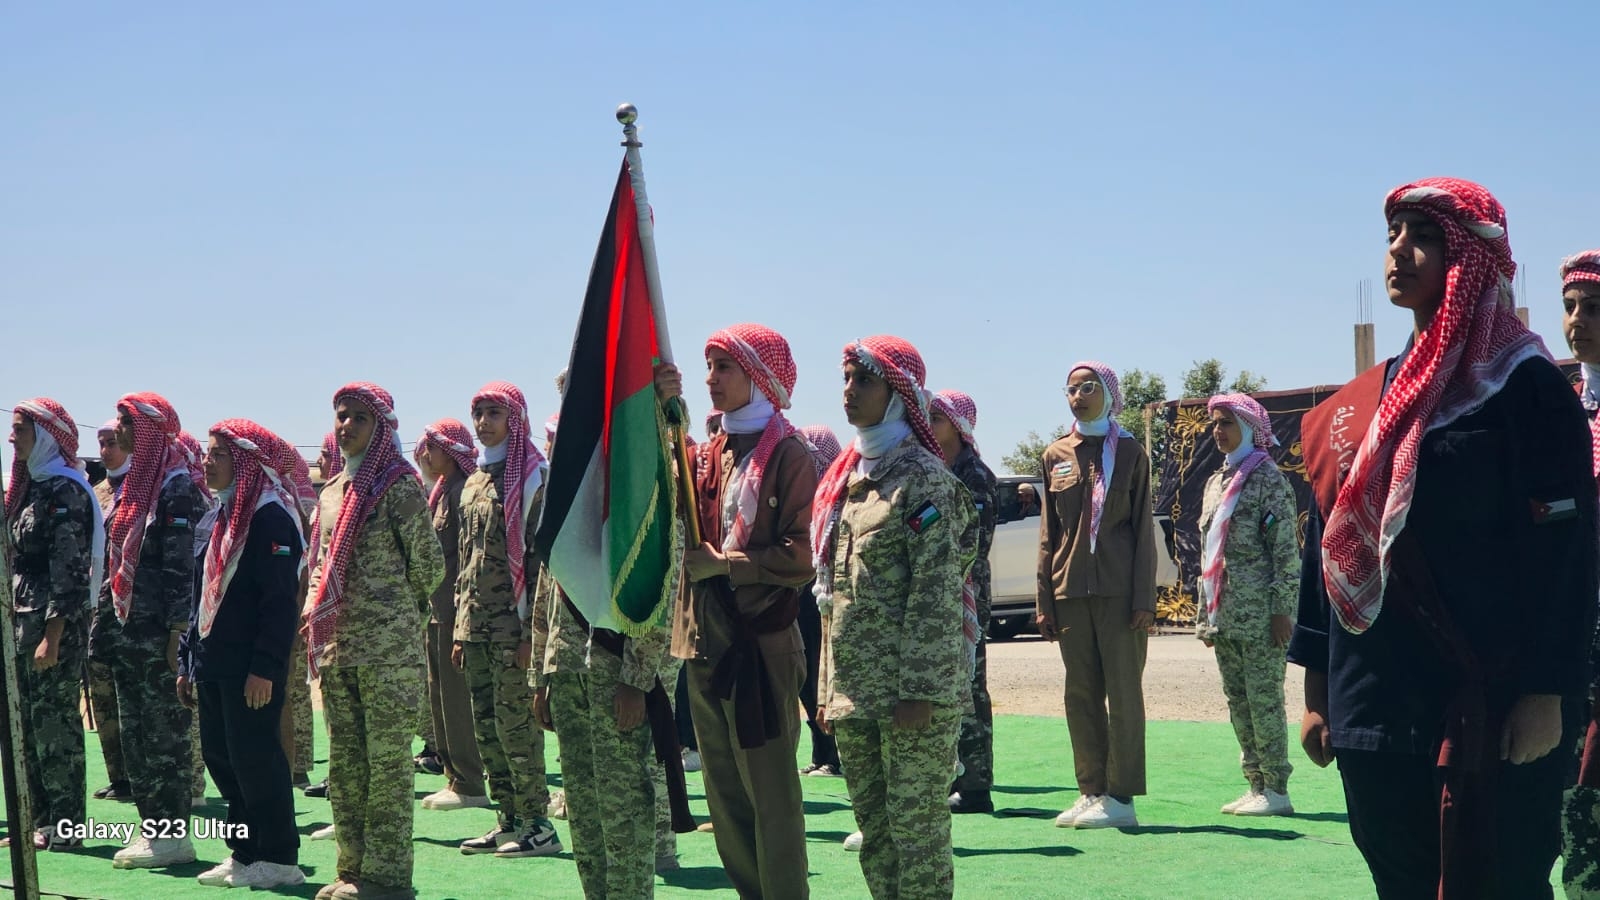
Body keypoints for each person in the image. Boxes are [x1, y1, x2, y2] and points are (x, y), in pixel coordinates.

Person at [1289, 178, 1596, 900]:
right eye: (1393, 234)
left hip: (1497, 703)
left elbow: (1566, 557)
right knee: (1399, 881)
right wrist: (1318, 687)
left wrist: (1548, 691)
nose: (1399, 251)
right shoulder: (1365, 402)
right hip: (1375, 703)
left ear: (1470, 259)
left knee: (1505, 880)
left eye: (1423, 235)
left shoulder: (1527, 391)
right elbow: (1327, 541)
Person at [654, 323, 817, 899]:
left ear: (760, 377)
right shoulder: (709, 453)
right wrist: (662, 408)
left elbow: (803, 555)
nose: (711, 379)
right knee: (724, 797)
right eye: (709, 366)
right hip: (705, 645)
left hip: (761, 649)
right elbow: (669, 484)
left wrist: (727, 564)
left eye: (725, 367)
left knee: (770, 795)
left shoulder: (790, 455)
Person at [813, 335, 977, 900]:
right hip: (857, 693)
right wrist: (829, 689)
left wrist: (919, 692)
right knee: (877, 834)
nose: (849, 390)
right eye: (846, 379)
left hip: (911, 698)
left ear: (900, 395)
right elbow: (834, 596)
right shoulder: (848, 480)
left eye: (865, 380)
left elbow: (935, 592)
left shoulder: (923, 480)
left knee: (917, 832)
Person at [305, 382, 444, 900]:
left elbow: (429, 566)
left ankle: (387, 879)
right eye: (341, 416)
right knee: (346, 768)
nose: (347, 426)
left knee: (387, 769)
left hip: (389, 655)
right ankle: (352, 871)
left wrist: (392, 613)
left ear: (380, 427)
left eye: (359, 418)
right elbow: (321, 569)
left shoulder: (398, 486)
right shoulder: (331, 492)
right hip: (339, 651)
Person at [181, 420, 306, 889]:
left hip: (250, 667)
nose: (208, 461)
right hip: (213, 660)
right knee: (222, 757)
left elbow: (279, 604)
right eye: (208, 452)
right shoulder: (216, 517)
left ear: (247, 463)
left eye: (220, 454)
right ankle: (246, 852)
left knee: (256, 758)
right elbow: (199, 596)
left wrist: (265, 669)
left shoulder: (270, 518)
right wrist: (187, 662)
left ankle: (279, 856)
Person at [1037, 362, 1157, 829]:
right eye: (1070, 389)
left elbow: (1143, 529)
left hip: (1120, 593)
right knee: (1080, 694)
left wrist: (1143, 597)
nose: (1078, 396)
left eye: (1088, 387)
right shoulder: (1055, 454)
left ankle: (1121, 797)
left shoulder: (1129, 452)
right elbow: (1049, 533)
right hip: (1070, 590)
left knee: (1123, 693)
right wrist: (1045, 599)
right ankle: (1091, 790)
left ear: (1109, 394)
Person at [97, 392, 206, 870]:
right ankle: (152, 828)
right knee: (137, 736)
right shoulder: (136, 486)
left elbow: (182, 568)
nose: (118, 429)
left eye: (126, 421)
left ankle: (172, 835)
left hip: (158, 634)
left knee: (164, 737)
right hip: (128, 632)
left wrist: (177, 635)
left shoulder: (175, 487)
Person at [453, 382, 561, 857]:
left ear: (514, 420)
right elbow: (466, 559)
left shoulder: (533, 478)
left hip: (514, 628)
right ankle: (509, 819)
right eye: (477, 412)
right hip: (476, 628)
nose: (483, 422)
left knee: (517, 729)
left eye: (493, 413)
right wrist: (461, 629)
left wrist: (531, 636)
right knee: (487, 728)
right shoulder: (475, 480)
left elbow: (540, 564)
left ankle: (539, 824)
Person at [5, 399, 103, 850]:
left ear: (44, 436)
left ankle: (67, 825)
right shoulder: (31, 486)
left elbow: (68, 571)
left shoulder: (65, 490)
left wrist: (53, 636)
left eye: (21, 429)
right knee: (27, 726)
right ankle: (39, 821)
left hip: (52, 627)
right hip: (22, 624)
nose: (12, 438)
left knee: (55, 727)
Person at [1195, 393, 1298, 816]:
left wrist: (1282, 609)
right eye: (1214, 423)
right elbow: (1208, 554)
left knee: (1264, 701)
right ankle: (1255, 784)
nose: (1217, 431)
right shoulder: (1216, 482)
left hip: (1260, 616)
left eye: (1226, 423)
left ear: (1250, 428)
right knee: (1238, 701)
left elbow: (1285, 551)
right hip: (1226, 615)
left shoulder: (1267, 479)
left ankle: (1276, 788)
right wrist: (1206, 616)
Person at [414, 419, 489, 813]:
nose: (425, 455)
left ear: (450, 451)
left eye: (432, 448)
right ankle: (453, 776)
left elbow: (466, 560)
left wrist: (461, 620)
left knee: (457, 701)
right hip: (436, 612)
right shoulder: (442, 492)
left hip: (456, 615)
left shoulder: (462, 492)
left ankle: (469, 781)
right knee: (439, 697)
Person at [929, 389, 998, 815]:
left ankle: (975, 786)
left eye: (937, 418)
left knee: (969, 687)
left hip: (967, 593)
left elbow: (973, 540)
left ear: (958, 425)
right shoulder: (933, 469)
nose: (929, 424)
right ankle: (949, 776)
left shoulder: (975, 475)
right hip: (937, 592)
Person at [1563, 248, 1600, 898]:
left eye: (1593, 308)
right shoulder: (1562, 410)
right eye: (1570, 307)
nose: (1577, 321)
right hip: (1572, 630)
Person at [796, 423, 843, 778]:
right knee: (805, 678)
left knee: (821, 676)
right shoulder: (805, 496)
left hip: (826, 599)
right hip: (802, 595)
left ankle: (833, 757)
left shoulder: (838, 497)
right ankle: (820, 753)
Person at [89, 418, 130, 802]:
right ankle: (119, 777)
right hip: (97, 610)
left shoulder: (143, 486)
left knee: (130, 698)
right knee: (102, 698)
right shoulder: (97, 493)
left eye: (112, 442)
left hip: (130, 613)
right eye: (100, 443)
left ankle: (139, 775)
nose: (105, 451)